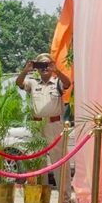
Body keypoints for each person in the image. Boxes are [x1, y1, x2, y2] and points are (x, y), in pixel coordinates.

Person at [16, 52, 71, 191]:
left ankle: (64, 198)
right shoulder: (33, 83)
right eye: (41, 65)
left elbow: (67, 83)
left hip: (54, 125)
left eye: (47, 64)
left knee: (59, 160)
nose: (44, 68)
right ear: (37, 68)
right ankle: (40, 197)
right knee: (38, 160)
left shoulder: (57, 81)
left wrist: (56, 71)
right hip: (37, 124)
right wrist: (26, 70)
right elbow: (19, 83)